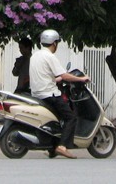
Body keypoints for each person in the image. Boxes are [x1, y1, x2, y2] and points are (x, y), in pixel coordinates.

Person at [29, 28, 89, 159]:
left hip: (37, 94)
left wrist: (58, 79)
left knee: (57, 119)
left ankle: (52, 147)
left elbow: (46, 76)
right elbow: (65, 76)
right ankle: (62, 146)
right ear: (54, 43)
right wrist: (81, 79)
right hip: (50, 95)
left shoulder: (36, 55)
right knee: (71, 117)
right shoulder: (50, 56)